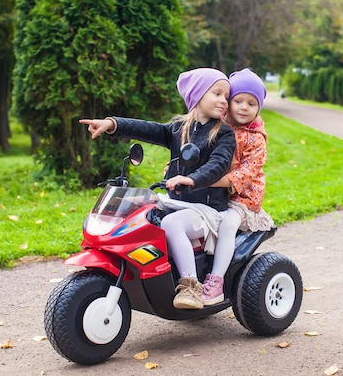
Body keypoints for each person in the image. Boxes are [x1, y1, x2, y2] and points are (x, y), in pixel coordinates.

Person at [79, 68, 236, 310]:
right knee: (139, 216)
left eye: (226, 96)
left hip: (207, 211)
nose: (223, 100)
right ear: (197, 95)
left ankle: (191, 287)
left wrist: (192, 179)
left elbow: (218, 165)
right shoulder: (178, 128)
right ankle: (151, 278)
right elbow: (146, 128)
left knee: (171, 225)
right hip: (177, 203)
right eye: (216, 93)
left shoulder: (224, 134)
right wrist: (112, 124)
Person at [202, 68, 275, 306]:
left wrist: (207, 179)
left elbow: (246, 173)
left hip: (243, 197)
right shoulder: (216, 127)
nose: (244, 107)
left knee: (228, 224)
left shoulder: (256, 139)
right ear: (229, 103)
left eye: (252, 103)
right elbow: (198, 152)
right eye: (239, 101)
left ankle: (216, 280)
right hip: (212, 191)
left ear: (258, 108)